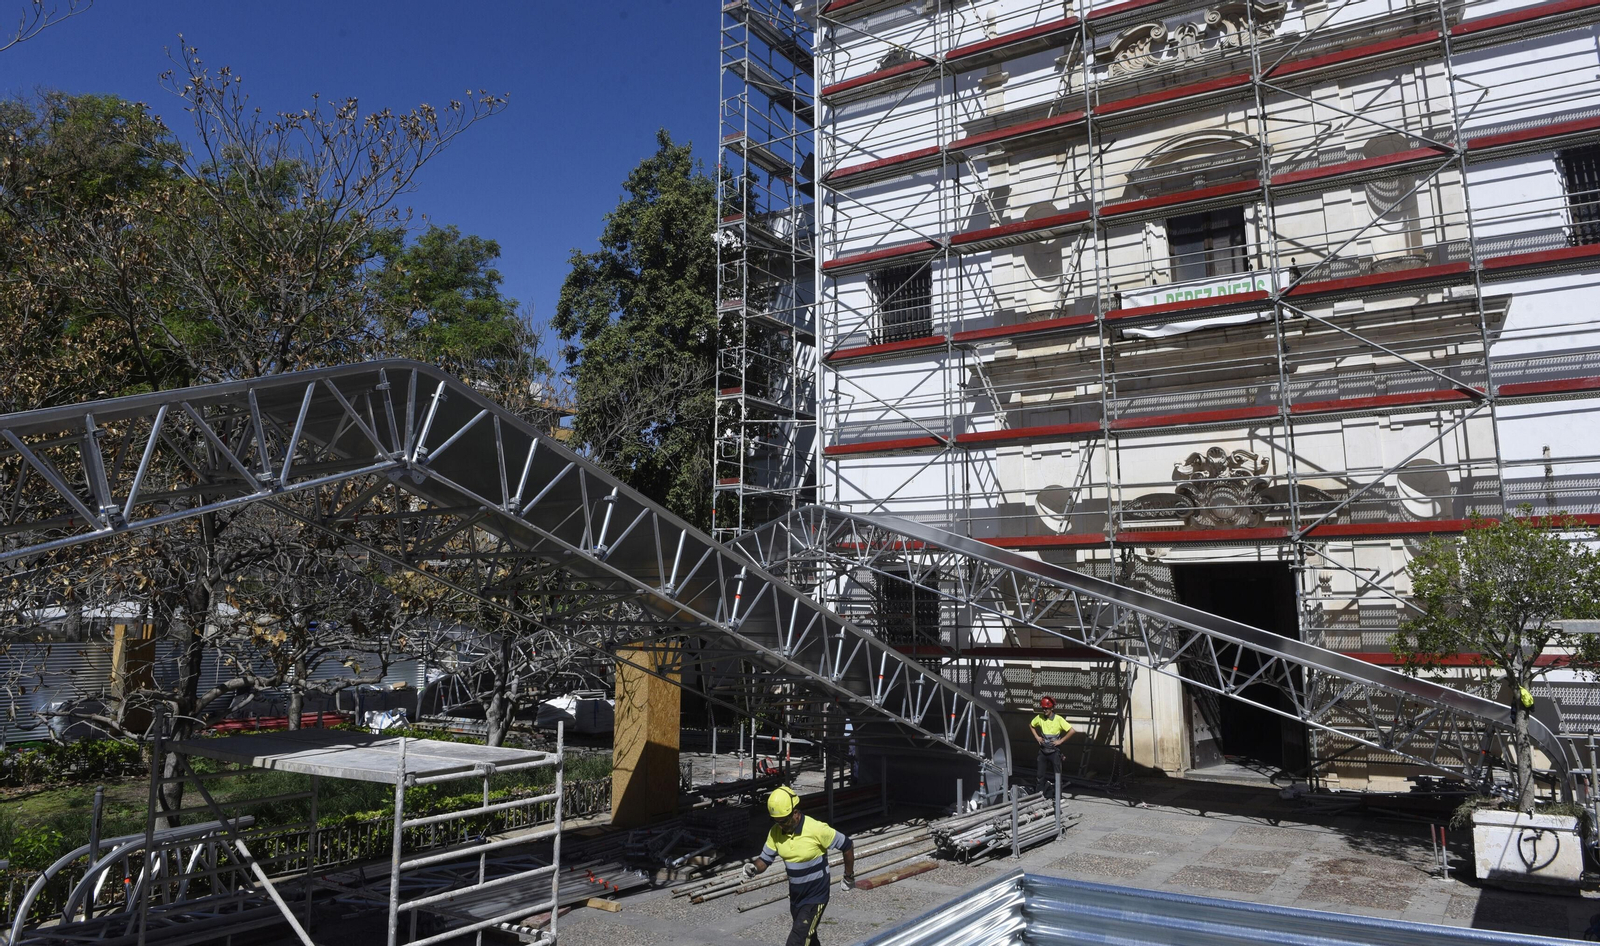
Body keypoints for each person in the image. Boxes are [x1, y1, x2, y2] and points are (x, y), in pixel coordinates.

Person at [744, 785, 855, 946]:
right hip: (796, 898)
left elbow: (848, 845)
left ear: (795, 813)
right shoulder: (775, 832)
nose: (781, 826)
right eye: (777, 821)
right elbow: (764, 860)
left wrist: (848, 876)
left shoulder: (816, 829)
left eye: (784, 821)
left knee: (797, 940)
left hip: (816, 896)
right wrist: (753, 868)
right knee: (809, 938)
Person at [1031, 696, 1072, 797]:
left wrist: (1060, 741)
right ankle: (1038, 796)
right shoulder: (1039, 718)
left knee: (1057, 776)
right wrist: (1037, 737)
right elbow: (1031, 725)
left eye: (1047, 708)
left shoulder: (1058, 719)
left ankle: (1058, 797)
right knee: (1040, 776)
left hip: (1054, 752)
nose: (1044, 710)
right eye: (1043, 708)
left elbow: (1072, 730)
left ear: (1052, 708)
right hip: (1043, 751)